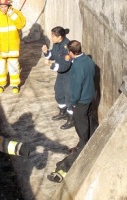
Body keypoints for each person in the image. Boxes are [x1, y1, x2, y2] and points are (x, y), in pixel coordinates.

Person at [47, 40, 95, 183]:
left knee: (81, 125)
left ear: (71, 52)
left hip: (81, 101)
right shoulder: (88, 61)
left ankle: (83, 145)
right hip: (90, 96)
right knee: (89, 120)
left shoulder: (77, 67)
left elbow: (76, 87)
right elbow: (91, 75)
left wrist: (72, 103)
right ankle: (87, 140)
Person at [0, 0, 26, 94]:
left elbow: (21, 24)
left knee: (14, 67)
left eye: (5, 7)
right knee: (0, 67)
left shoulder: (15, 13)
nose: (3, 9)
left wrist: (13, 15)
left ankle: (15, 85)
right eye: (1, 7)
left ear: (9, 6)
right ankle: (1, 84)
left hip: (12, 47)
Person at [42, 26, 74, 129]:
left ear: (59, 36)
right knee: (59, 92)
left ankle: (71, 118)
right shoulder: (56, 44)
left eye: (53, 36)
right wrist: (46, 52)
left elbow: (65, 66)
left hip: (68, 75)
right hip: (61, 74)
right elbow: (54, 55)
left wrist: (50, 65)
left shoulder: (67, 47)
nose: (51, 37)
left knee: (69, 96)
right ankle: (63, 112)